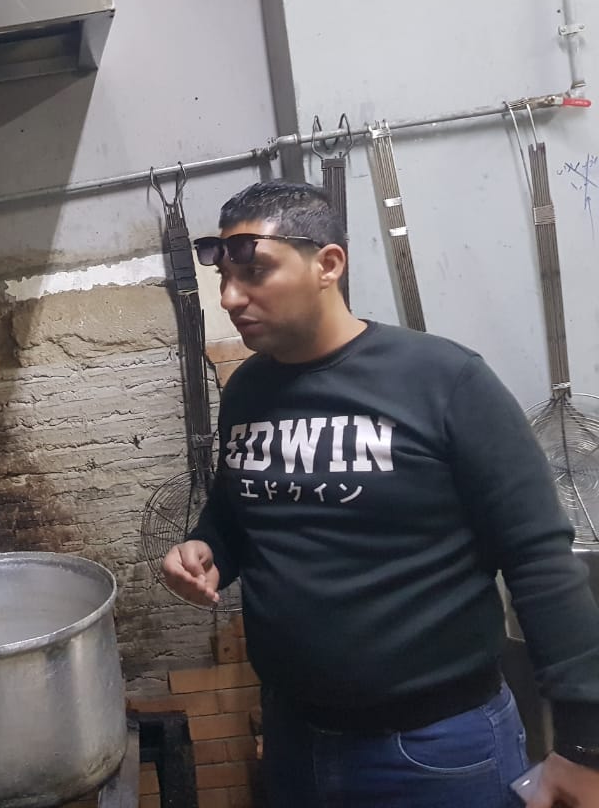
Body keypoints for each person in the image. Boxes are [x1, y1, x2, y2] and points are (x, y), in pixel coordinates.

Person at [161, 181, 599, 808]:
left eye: (254, 273)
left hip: (437, 750)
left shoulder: (445, 381)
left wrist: (585, 746)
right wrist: (207, 548)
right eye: (225, 278)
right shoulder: (248, 391)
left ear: (328, 264)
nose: (230, 297)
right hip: (295, 740)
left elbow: (538, 560)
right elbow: (240, 510)